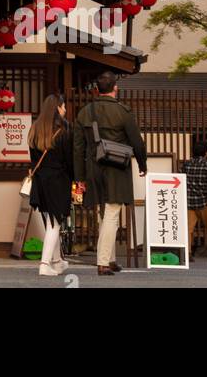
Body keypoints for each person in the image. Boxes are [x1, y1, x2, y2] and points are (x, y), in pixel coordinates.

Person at [73, 71, 147, 275]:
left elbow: (77, 149)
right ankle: (104, 261)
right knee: (113, 212)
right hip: (117, 167)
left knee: (103, 212)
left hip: (93, 169)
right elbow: (137, 143)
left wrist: (79, 178)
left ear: (96, 90)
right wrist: (142, 165)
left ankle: (111, 258)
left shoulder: (84, 112)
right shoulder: (123, 112)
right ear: (116, 88)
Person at [27, 93, 75, 276]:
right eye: (63, 106)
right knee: (55, 224)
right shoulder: (64, 130)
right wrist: (76, 178)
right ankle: (45, 263)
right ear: (57, 108)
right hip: (58, 181)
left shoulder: (35, 129)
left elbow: (33, 160)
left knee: (50, 221)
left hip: (40, 181)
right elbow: (69, 160)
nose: (65, 109)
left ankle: (57, 260)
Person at [182, 137, 207, 261]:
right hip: (205, 202)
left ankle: (187, 253)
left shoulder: (186, 164)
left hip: (189, 202)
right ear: (206, 153)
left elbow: (182, 179)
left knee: (188, 229)